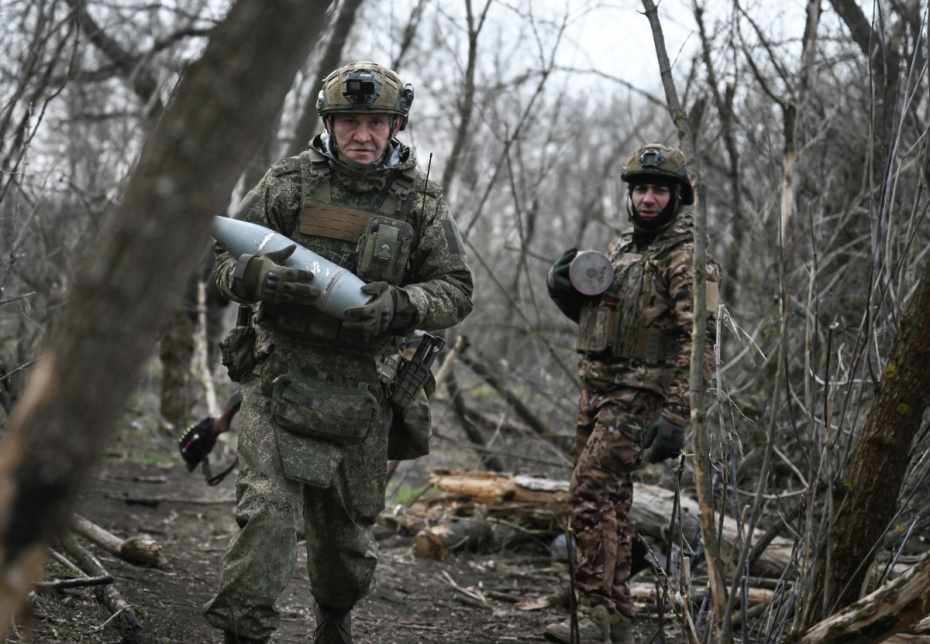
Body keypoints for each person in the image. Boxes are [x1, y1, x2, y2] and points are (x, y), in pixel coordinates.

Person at [203, 61, 474, 644]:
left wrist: (401, 305)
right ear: (328, 121)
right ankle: (242, 632)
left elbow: (456, 289)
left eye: (376, 121)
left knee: (345, 545)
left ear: (395, 125)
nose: (362, 134)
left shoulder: (420, 202)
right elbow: (223, 260)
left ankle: (334, 617)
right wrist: (258, 281)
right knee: (268, 516)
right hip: (278, 376)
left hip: (364, 392)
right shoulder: (286, 183)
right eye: (349, 120)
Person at [544, 143, 720, 643]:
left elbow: (701, 337)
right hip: (597, 390)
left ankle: (595, 612)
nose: (647, 198)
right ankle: (618, 613)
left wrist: (678, 415)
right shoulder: (622, 249)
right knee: (612, 501)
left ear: (677, 196)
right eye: (640, 189)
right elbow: (603, 323)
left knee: (587, 495)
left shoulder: (687, 257)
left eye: (658, 190)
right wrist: (566, 292)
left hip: (639, 396)